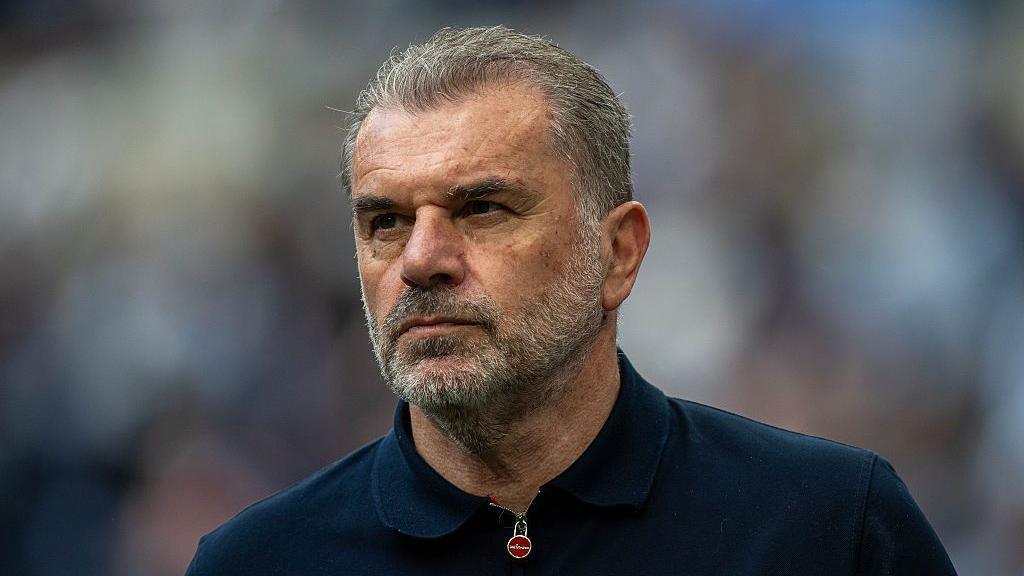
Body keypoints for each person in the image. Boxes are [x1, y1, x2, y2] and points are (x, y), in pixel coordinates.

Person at [185, 26, 957, 575]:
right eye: (385, 220)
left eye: (483, 208)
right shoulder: (258, 561)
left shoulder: (825, 526)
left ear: (617, 253)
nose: (420, 259)